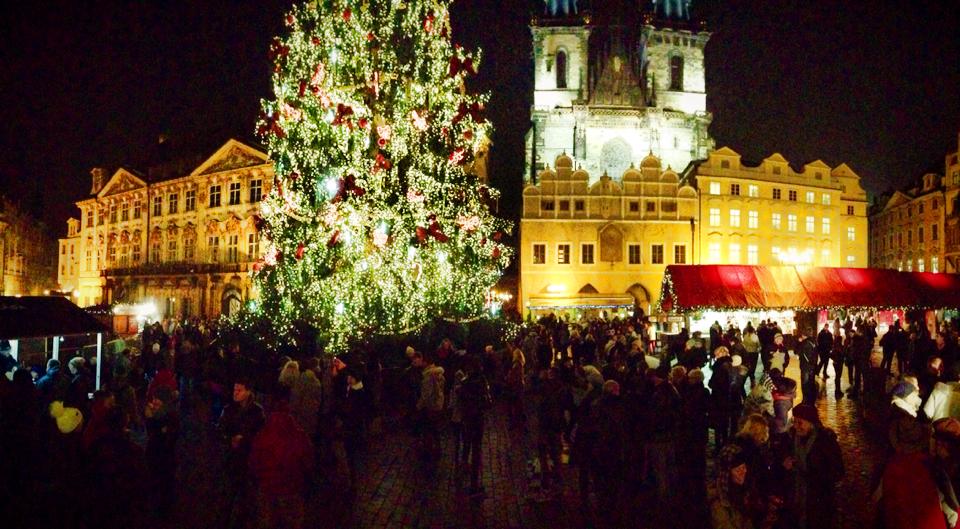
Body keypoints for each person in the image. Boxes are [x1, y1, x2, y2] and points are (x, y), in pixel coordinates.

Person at [249, 387, 315, 529]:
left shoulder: (262, 435)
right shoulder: (299, 435)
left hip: (267, 488)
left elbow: (253, 462)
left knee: (267, 521)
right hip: (291, 488)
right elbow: (308, 462)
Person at [780, 404, 844, 529]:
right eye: (794, 421)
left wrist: (812, 474)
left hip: (818, 501)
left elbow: (838, 472)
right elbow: (781, 454)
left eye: (800, 422)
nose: (796, 426)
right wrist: (785, 461)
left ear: (811, 423)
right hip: (796, 496)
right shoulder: (791, 437)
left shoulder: (826, 441)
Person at [218, 378, 266, 529]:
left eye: (239, 390)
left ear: (248, 392)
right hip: (231, 461)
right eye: (234, 390)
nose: (235, 393)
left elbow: (260, 435)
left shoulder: (257, 412)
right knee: (227, 497)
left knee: (245, 500)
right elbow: (220, 430)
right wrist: (229, 439)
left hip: (248, 461)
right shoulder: (228, 409)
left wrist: (245, 439)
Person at [458, 355, 492, 496]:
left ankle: (464, 472)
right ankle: (474, 483)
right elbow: (487, 402)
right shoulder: (481, 381)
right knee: (477, 449)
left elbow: (461, 398)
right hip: (477, 418)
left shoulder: (465, 382)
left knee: (467, 444)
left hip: (467, 418)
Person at [416, 352, 445, 462]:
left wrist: (419, 406)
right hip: (438, 405)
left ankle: (429, 452)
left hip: (430, 407)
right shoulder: (438, 373)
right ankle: (437, 448)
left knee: (428, 429)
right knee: (435, 429)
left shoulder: (428, 375)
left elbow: (426, 395)